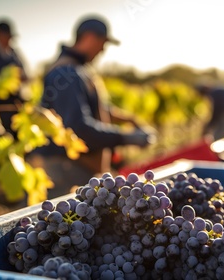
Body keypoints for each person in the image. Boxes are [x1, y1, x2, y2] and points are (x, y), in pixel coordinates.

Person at [31, 15, 154, 198]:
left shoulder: (76, 70)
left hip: (75, 167)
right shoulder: (66, 73)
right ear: (89, 37)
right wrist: (127, 138)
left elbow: (90, 109)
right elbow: (78, 127)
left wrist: (128, 119)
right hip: (66, 170)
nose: (103, 50)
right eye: (102, 43)